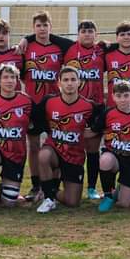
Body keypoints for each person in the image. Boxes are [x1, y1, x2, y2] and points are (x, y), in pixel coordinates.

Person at [19, 12, 76, 202]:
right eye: (38, 26)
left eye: (45, 25)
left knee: (58, 144)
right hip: (33, 104)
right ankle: (36, 185)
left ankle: (53, 185)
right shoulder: (26, 48)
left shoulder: (60, 46)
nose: (42, 29)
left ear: (51, 27)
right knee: (33, 145)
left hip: (54, 104)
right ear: (33, 27)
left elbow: (79, 45)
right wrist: (25, 39)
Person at [36, 66, 102, 214]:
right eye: (65, 80)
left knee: (72, 202)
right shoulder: (48, 102)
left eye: (73, 79)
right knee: (43, 155)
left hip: (75, 157)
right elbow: (35, 119)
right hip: (54, 148)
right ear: (59, 83)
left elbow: (101, 122)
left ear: (79, 82)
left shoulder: (89, 106)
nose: (69, 83)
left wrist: (92, 132)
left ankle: (51, 190)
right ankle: (48, 199)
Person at [0, 63, 33, 212]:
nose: (9, 81)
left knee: (9, 203)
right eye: (5, 77)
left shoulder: (27, 101)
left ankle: (4, 189)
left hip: (16, 154)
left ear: (17, 81)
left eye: (12, 77)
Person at [63, 20, 106, 201]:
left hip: (95, 106)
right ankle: (67, 182)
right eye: (83, 31)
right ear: (78, 34)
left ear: (96, 34)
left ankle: (91, 188)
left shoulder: (103, 50)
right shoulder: (67, 48)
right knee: (70, 145)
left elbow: (128, 45)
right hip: (73, 105)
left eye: (90, 31)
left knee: (93, 148)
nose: (87, 34)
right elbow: (42, 37)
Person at [97, 80, 130, 212]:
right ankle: (108, 195)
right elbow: (95, 130)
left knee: (124, 204)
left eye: (126, 95)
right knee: (105, 160)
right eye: (118, 96)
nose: (122, 99)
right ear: (113, 97)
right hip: (113, 155)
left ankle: (119, 190)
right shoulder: (108, 114)